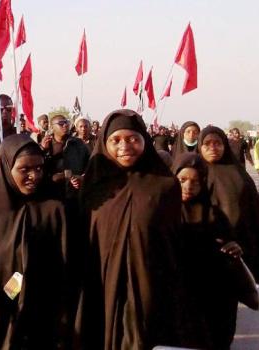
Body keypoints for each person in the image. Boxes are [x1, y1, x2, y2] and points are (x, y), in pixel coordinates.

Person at [76, 109, 196, 349]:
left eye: (133, 139)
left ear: (145, 141)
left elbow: (174, 239)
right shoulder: (93, 186)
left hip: (150, 282)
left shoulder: (164, 186)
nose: (125, 146)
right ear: (104, 142)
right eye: (116, 140)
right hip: (101, 283)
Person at [0, 134, 69, 349]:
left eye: (40, 168)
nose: (34, 176)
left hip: (40, 314)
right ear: (6, 168)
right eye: (25, 170)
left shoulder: (54, 208)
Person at [172, 153, 243, 349]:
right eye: (182, 179)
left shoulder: (215, 215)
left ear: (204, 183)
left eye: (195, 181)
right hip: (175, 300)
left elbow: (229, 248)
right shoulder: (161, 212)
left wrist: (234, 248)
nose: (188, 186)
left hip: (211, 300)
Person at [199, 126, 259, 279]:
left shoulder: (239, 176)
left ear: (225, 145)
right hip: (201, 251)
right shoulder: (193, 174)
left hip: (237, 250)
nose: (213, 147)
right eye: (207, 143)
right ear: (200, 146)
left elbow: (254, 215)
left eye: (218, 143)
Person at [40, 114, 89, 200]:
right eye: (61, 123)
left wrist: (81, 178)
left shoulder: (78, 144)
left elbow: (89, 166)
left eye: (66, 122)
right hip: (53, 196)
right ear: (52, 127)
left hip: (76, 195)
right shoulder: (46, 146)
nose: (65, 125)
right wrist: (42, 149)